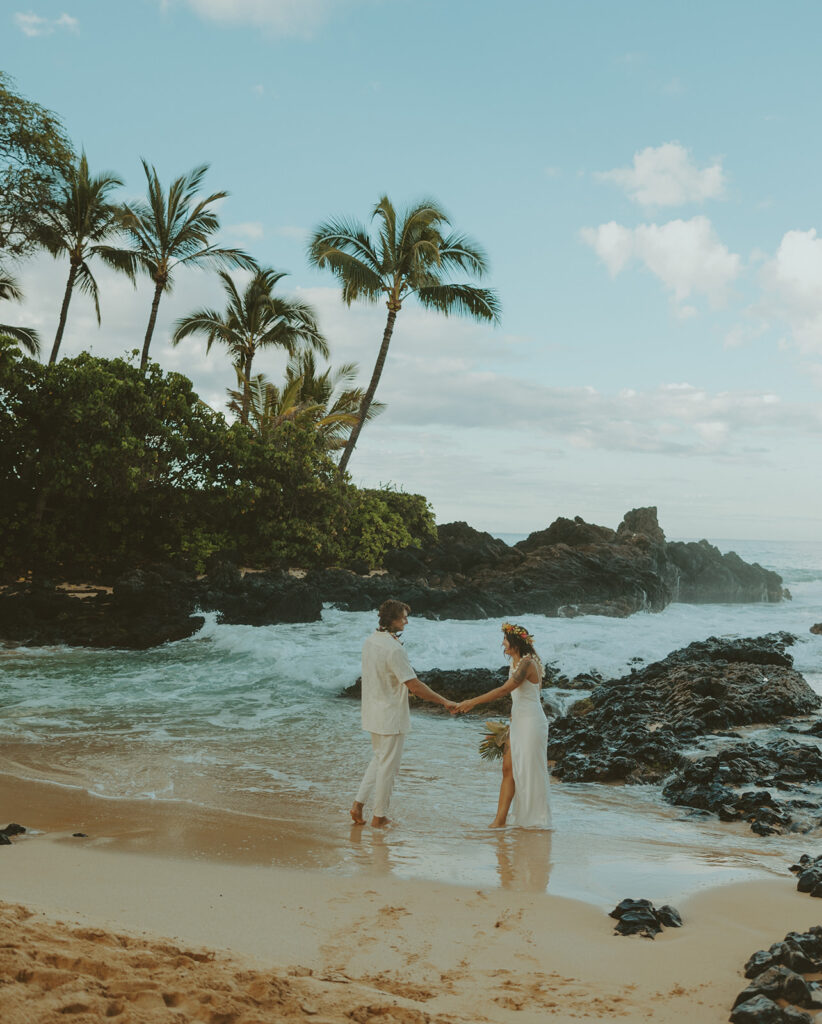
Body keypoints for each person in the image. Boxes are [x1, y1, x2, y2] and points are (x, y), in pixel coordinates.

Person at [351, 599, 456, 828]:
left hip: (372, 711)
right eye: (403, 617)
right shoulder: (393, 648)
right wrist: (444, 701)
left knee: (379, 760)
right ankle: (379, 817)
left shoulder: (371, 641)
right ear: (392, 620)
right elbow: (414, 685)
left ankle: (358, 805)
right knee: (388, 767)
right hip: (390, 716)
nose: (406, 621)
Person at [453, 622, 552, 830]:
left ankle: (535, 822)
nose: (503, 644)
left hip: (532, 724)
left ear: (515, 642)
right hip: (517, 722)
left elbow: (504, 690)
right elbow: (518, 699)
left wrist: (472, 702)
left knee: (529, 772)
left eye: (505, 640)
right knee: (508, 769)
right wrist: (509, 727)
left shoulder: (527, 663)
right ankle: (499, 821)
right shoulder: (515, 662)